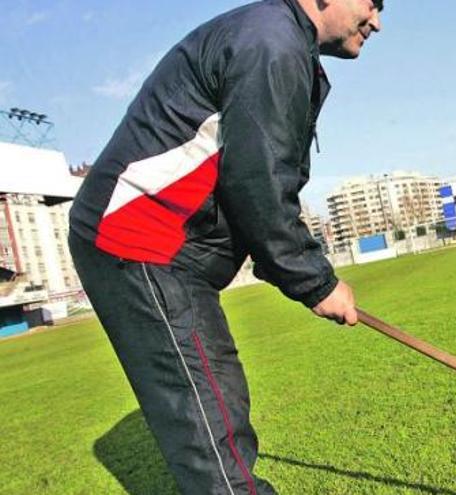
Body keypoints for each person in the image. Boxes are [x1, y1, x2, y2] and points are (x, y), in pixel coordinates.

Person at [68, 1, 383, 493]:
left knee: (219, 399)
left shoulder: (282, 43)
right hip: (138, 239)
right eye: (373, 2)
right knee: (211, 430)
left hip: (173, 251)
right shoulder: (271, 44)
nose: (377, 20)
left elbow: (259, 178)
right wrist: (314, 281)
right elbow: (257, 179)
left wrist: (289, 265)